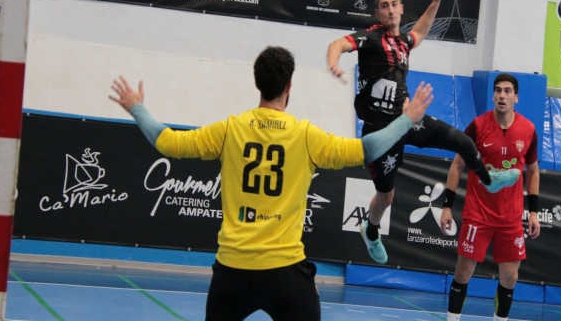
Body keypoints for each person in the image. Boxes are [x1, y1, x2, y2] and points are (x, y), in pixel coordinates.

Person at [108, 46, 434, 321]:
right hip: (284, 272)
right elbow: (369, 149)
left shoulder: (231, 130)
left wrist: (137, 107)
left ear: (257, 83)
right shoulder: (306, 136)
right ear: (289, 86)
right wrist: (407, 119)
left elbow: (166, 142)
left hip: (232, 270)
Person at [326, 0, 516, 264]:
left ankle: (488, 179)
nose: (390, 9)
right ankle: (372, 229)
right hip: (381, 132)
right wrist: (334, 62)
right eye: (384, 6)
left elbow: (422, 31)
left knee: (463, 141)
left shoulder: (404, 41)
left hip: (409, 117)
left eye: (394, 4)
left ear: (401, 10)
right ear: (377, 13)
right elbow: (338, 44)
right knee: (386, 196)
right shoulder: (371, 38)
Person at [439, 73, 540, 321]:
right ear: (493, 95)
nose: (502, 95)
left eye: (507, 91)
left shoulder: (528, 130)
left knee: (510, 276)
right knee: (463, 271)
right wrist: (447, 207)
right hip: (478, 214)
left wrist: (534, 211)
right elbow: (457, 167)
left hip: (511, 218)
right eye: (498, 90)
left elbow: (533, 171)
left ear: (516, 97)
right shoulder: (478, 126)